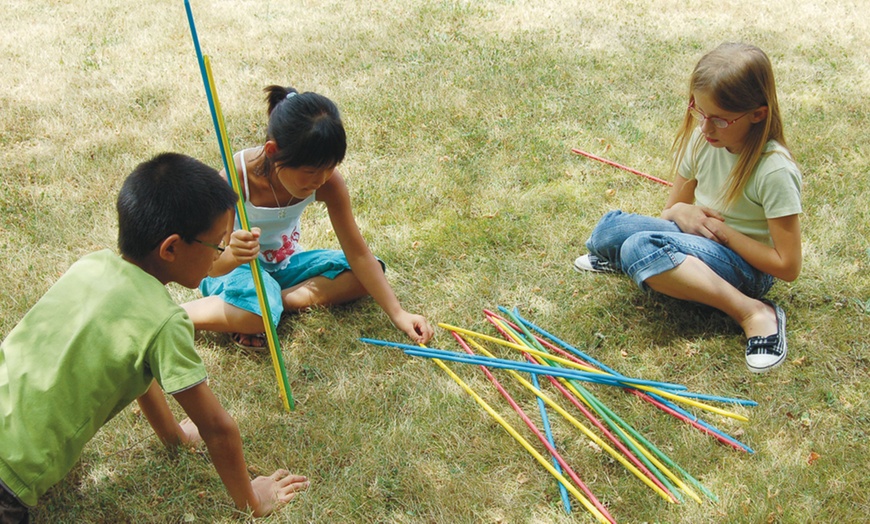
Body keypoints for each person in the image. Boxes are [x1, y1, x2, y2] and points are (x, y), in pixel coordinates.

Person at [0, 153, 309, 523]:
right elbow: (216, 426)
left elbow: (135, 368)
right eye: (216, 246)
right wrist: (252, 501)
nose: (221, 256)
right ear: (171, 248)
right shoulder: (163, 320)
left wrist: (175, 437)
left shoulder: (92, 265)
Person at [573, 42, 802, 373]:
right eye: (700, 112)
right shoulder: (705, 137)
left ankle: (752, 312)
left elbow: (787, 266)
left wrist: (723, 233)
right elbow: (670, 211)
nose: (706, 128)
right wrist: (680, 213)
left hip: (747, 267)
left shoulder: (774, 170)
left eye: (720, 120)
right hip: (696, 238)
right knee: (609, 231)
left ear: (757, 114)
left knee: (638, 246)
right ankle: (647, 264)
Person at [181, 85, 433, 349]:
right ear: (272, 151)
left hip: (285, 265)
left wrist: (398, 314)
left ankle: (273, 303)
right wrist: (232, 254)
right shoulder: (235, 177)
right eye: (311, 171)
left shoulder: (328, 183)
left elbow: (358, 255)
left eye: (330, 168)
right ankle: (182, 315)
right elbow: (209, 268)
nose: (320, 180)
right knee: (259, 313)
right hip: (235, 270)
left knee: (366, 274)